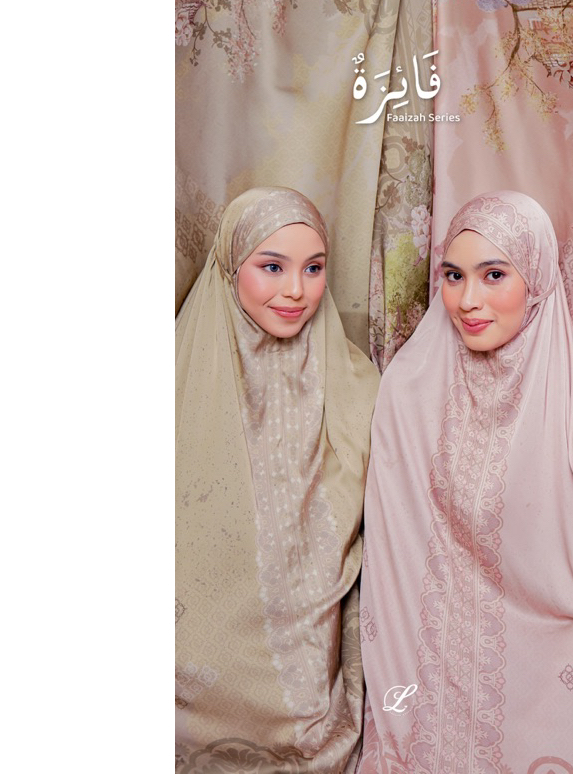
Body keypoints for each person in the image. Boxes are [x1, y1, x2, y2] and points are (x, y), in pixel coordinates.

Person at [356, 191, 573, 774]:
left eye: (494, 274)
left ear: (537, 280)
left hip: (546, 665)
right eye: (454, 276)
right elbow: (395, 559)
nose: (468, 301)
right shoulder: (409, 388)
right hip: (433, 668)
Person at [176, 186, 380, 773]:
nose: (296, 290)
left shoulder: (359, 383)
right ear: (230, 267)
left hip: (304, 672)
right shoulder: (176, 380)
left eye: (313, 268)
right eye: (272, 267)